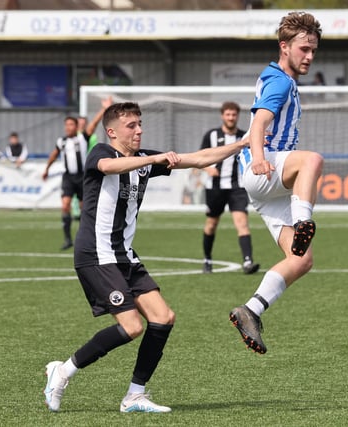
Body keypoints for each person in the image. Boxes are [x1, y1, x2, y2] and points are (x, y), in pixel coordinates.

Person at [43, 101, 249, 414]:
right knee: (131, 326)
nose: (139, 130)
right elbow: (110, 168)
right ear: (112, 131)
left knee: (163, 318)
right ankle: (63, 371)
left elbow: (199, 159)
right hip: (96, 254)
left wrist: (244, 143)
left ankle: (134, 396)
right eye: (131, 126)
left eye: (140, 124)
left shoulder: (142, 160)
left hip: (124, 255)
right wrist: (154, 158)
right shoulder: (100, 152)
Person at [229, 11, 324, 355]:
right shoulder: (280, 80)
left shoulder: (283, 80)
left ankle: (250, 310)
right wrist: (257, 156)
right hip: (263, 169)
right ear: (284, 47)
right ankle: (303, 222)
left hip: (269, 186)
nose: (309, 56)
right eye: (304, 49)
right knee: (311, 160)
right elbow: (258, 123)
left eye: (314, 50)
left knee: (301, 259)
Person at [42, 97, 112, 250]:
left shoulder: (83, 137)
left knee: (84, 208)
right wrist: (46, 169)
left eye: (71, 124)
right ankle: (67, 239)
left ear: (76, 126)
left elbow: (93, 124)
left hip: (82, 177)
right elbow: (54, 154)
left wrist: (104, 108)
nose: (68, 127)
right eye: (66, 125)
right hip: (68, 177)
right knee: (65, 205)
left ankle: (87, 239)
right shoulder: (62, 141)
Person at [200, 101, 259, 275]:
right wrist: (207, 168)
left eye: (234, 115)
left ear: (237, 116)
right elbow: (201, 156)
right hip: (215, 187)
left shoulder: (244, 136)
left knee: (242, 223)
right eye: (228, 114)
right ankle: (207, 259)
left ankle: (248, 262)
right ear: (222, 115)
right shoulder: (211, 135)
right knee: (211, 224)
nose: (231, 117)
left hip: (237, 187)